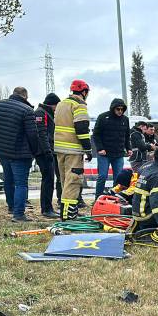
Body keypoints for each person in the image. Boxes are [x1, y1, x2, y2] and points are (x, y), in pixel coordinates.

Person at [0, 86, 39, 222]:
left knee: (8, 180)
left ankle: (11, 207)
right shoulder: (27, 110)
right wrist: (35, 152)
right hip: (21, 154)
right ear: (25, 97)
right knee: (21, 184)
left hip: (3, 152)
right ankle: (18, 214)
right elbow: (32, 135)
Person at [53, 79, 93, 220]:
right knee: (73, 181)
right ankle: (68, 216)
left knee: (65, 181)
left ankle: (66, 213)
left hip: (60, 148)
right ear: (84, 92)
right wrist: (88, 149)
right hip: (74, 149)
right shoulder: (79, 105)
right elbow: (82, 128)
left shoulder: (61, 104)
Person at [91, 98, 130, 198]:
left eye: (122, 109)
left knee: (118, 178)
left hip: (118, 154)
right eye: (118, 109)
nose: (120, 111)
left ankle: (114, 199)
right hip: (104, 154)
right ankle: (97, 198)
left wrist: (128, 148)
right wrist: (100, 148)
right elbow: (96, 135)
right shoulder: (103, 117)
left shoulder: (125, 120)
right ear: (113, 108)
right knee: (102, 176)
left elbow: (127, 136)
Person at [34, 93, 61, 218]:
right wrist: (47, 151)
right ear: (53, 104)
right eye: (57, 106)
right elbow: (42, 133)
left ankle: (48, 207)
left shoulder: (46, 112)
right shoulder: (41, 113)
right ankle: (46, 208)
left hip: (47, 150)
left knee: (49, 179)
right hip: (44, 152)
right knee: (48, 179)